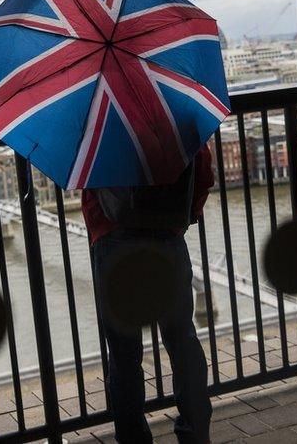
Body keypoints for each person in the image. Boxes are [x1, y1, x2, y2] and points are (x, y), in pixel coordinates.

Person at [82, 145, 214, 443]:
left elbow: (88, 190)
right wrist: (182, 218)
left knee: (124, 355)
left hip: (114, 244)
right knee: (182, 341)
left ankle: (133, 439)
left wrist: (99, 230)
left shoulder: (97, 122)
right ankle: (195, 434)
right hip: (167, 239)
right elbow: (203, 173)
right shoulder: (175, 112)